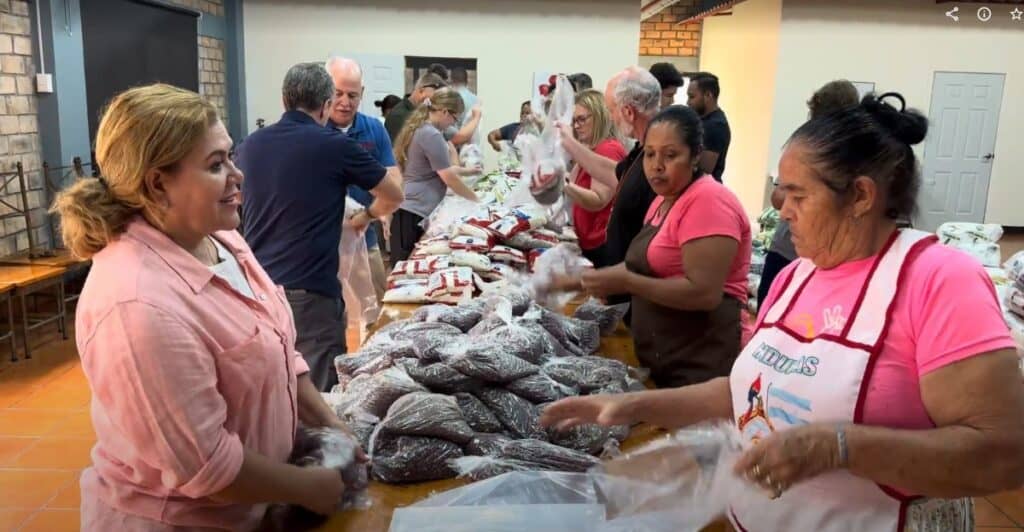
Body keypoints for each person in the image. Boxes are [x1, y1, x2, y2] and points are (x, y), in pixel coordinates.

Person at [542, 93, 1024, 531]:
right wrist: (633, 405)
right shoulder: (797, 277)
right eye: (781, 193)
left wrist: (840, 447)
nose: (782, 208)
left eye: (797, 194)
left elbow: (1003, 453)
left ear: (860, 196)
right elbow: (747, 391)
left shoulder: (939, 280)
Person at [53, 84, 362, 530]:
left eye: (231, 158)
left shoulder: (221, 239)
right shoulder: (138, 306)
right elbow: (207, 468)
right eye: (217, 165)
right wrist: (305, 487)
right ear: (158, 184)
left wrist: (335, 428)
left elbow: (280, 352)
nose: (238, 176)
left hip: (252, 508)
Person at [237, 63, 403, 391]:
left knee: (274, 384)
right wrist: (367, 216)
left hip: (257, 289)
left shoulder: (249, 146)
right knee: (321, 391)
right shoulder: (334, 145)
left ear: (285, 100)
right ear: (326, 104)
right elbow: (394, 194)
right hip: (310, 293)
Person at [566, 106, 751, 387]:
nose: (657, 165)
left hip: (700, 366)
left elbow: (703, 293)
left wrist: (628, 282)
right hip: (665, 357)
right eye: (650, 154)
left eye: (670, 155)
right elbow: (646, 264)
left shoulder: (708, 201)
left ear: (696, 155)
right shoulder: (664, 200)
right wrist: (577, 281)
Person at [558, 66, 662, 324]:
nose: (611, 117)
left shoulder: (653, 154)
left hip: (636, 283)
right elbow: (616, 175)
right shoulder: (640, 151)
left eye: (611, 109)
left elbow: (603, 195)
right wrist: (568, 142)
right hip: (625, 275)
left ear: (627, 111)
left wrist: (610, 278)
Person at [759, 79, 860, 306]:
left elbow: (778, 198)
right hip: (789, 249)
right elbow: (777, 199)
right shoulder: (803, 145)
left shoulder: (854, 152)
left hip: (820, 255)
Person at [326, 57, 400, 305]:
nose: (345, 103)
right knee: (330, 311)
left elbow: (391, 175)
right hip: (321, 244)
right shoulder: (313, 129)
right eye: (338, 94)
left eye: (352, 95)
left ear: (362, 94)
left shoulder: (374, 129)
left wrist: (384, 213)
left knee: (376, 304)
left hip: (364, 236)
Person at [390, 88, 481, 263]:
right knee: (403, 266)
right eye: (454, 119)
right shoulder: (431, 134)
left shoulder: (423, 129)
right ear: (445, 112)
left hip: (414, 207)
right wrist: (474, 199)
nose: (453, 124)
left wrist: (469, 171)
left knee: (406, 264)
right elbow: (448, 177)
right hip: (415, 211)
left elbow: (439, 169)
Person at [563, 89, 626, 268]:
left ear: (599, 116)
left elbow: (598, 200)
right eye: (574, 121)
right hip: (590, 241)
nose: (576, 126)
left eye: (582, 119)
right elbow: (574, 181)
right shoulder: (591, 149)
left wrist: (561, 183)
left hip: (601, 245)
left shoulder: (607, 149)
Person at [686, 72, 731, 182]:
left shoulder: (715, 126)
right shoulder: (703, 121)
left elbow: (704, 170)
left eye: (692, 97)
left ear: (708, 95)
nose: (688, 102)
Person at [384, 72, 447, 141]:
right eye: (433, 99)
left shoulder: (421, 113)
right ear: (421, 91)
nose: (434, 104)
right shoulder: (399, 116)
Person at [450, 66, 481, 145]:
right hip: (472, 147)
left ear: (451, 80)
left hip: (455, 144)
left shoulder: (450, 98)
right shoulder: (476, 100)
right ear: (467, 81)